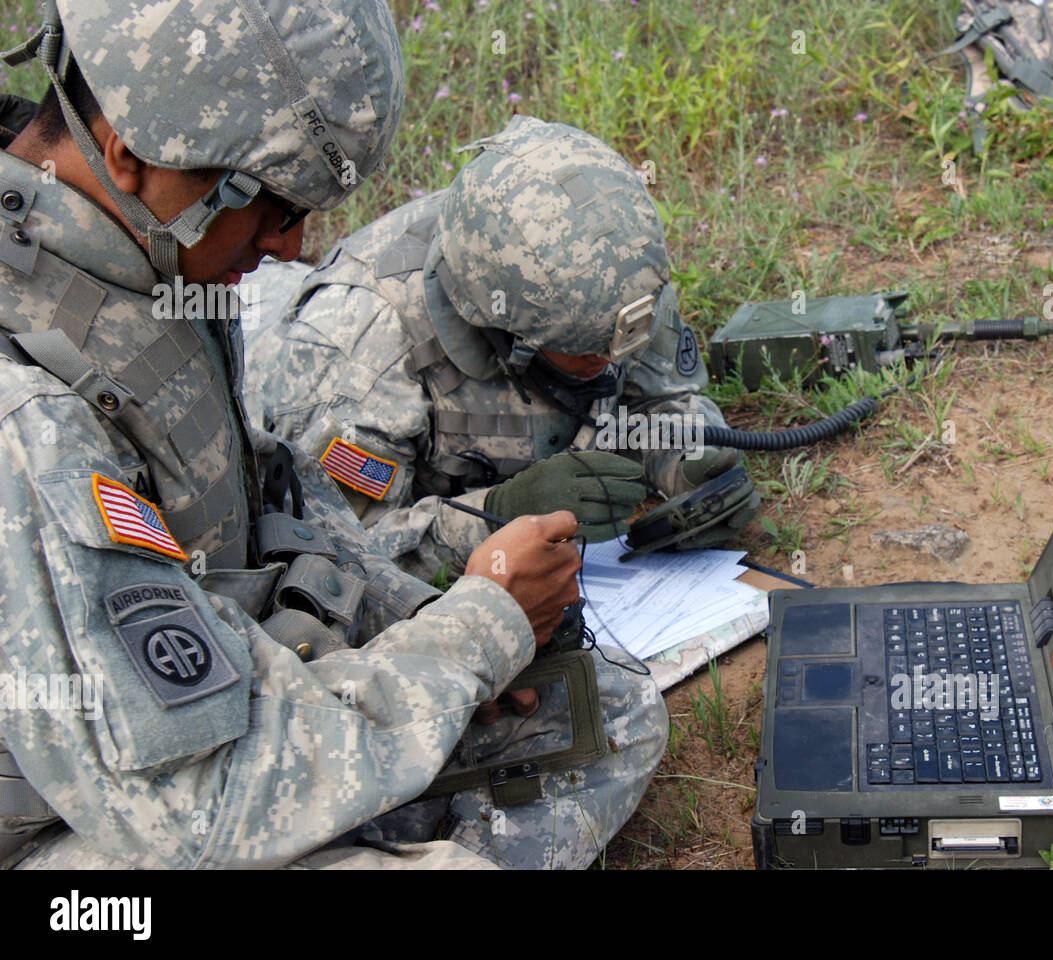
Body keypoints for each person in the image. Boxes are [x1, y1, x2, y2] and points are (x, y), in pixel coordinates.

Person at [0, 0, 665, 870]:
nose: (293, 245)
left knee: (601, 714)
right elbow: (205, 800)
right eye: (272, 207)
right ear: (134, 152)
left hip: (223, 706)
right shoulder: (30, 416)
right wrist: (475, 633)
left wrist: (419, 616)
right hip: (104, 819)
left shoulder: (132, 270)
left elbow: (266, 499)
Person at [247, 116, 756, 584]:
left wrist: (686, 463)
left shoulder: (614, 271)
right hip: (256, 330)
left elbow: (658, 398)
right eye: (585, 355)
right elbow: (343, 550)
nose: (611, 364)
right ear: (499, 329)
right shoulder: (359, 357)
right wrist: (502, 512)